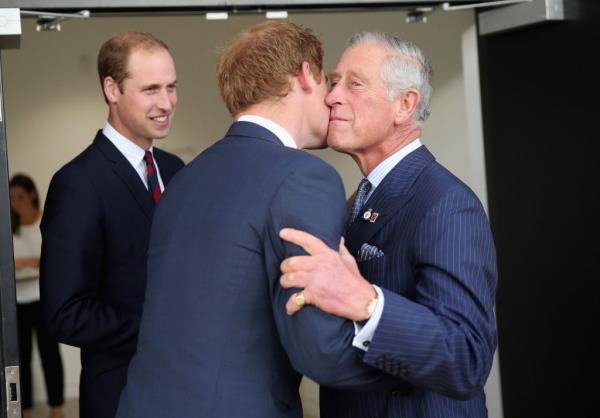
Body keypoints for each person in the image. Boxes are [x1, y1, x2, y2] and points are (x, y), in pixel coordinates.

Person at [116, 22, 401, 418]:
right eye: (327, 82)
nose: (333, 99)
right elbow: (320, 350)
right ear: (304, 75)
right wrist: (416, 363)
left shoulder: (184, 179)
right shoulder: (304, 176)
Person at [279, 32, 498, 418]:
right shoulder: (358, 200)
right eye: (333, 82)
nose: (331, 97)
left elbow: (466, 358)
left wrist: (366, 302)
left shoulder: (447, 204)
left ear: (404, 105)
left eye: (354, 84)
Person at [40, 32, 184, 418]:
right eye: (151, 89)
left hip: (187, 390)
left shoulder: (175, 170)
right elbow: (65, 314)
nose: (166, 103)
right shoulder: (78, 184)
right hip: (121, 398)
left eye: (171, 87)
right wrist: (163, 329)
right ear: (112, 88)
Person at [10, 174, 64, 418]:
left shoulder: (47, 219)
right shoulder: (8, 225)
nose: (15, 202)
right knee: (21, 360)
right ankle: (26, 411)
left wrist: (31, 262)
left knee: (50, 355)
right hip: (17, 302)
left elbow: (56, 258)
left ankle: (56, 409)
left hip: (44, 299)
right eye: (11, 198)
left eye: (19, 196)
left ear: (32, 194)